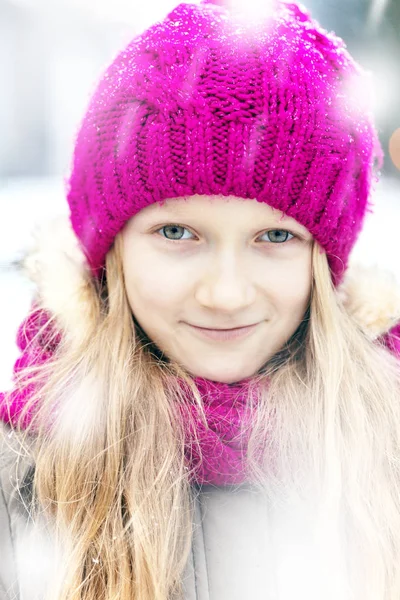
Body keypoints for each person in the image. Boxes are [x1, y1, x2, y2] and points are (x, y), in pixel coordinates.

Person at [1, 0, 400, 598]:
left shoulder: (384, 461)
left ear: (324, 261)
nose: (225, 294)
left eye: (275, 237)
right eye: (177, 233)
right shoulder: (25, 484)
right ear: (110, 253)